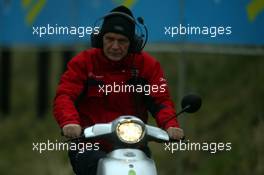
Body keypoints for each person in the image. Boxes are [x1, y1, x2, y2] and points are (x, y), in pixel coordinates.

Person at [53, 5, 184, 175]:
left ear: (133, 43)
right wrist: (69, 122)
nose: (115, 46)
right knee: (95, 165)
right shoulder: (83, 63)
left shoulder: (147, 66)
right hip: (90, 145)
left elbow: (161, 101)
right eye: (109, 39)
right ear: (100, 39)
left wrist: (171, 126)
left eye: (122, 41)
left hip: (134, 144)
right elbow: (65, 95)